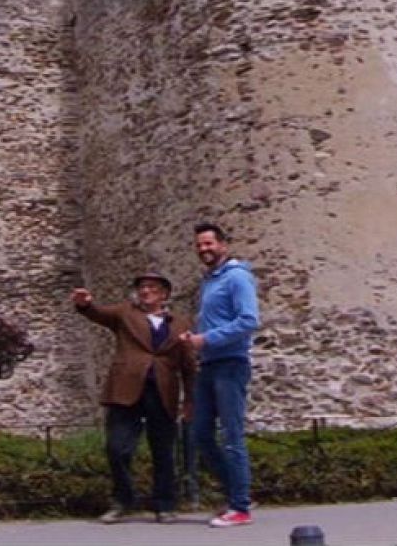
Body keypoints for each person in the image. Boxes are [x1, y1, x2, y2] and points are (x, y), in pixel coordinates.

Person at [71, 271, 196, 524]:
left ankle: (164, 504)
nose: (146, 291)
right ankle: (123, 499)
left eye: (152, 288)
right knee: (117, 448)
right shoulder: (125, 313)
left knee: (163, 452)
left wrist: (190, 399)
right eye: (142, 288)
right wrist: (85, 304)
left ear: (163, 294)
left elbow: (188, 364)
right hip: (125, 390)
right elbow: (98, 313)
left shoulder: (180, 323)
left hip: (163, 391)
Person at [179, 222, 260, 528]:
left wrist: (207, 339)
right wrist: (196, 337)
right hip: (210, 365)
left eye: (209, 244)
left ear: (223, 245)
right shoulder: (209, 281)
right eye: (199, 245)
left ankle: (240, 508)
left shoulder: (237, 277)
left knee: (232, 436)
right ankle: (239, 494)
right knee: (199, 434)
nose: (204, 250)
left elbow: (249, 320)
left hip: (231, 364)